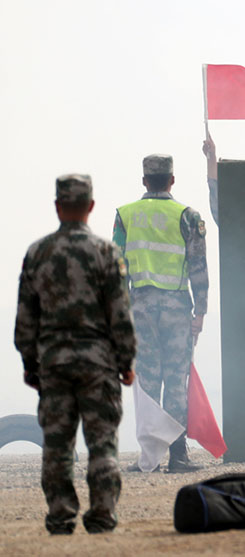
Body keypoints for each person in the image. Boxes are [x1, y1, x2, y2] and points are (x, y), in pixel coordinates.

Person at [15, 174, 137, 534]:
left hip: (53, 364)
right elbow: (120, 314)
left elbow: (25, 318)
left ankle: (61, 515)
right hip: (99, 364)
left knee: (57, 446)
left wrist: (29, 363)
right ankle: (101, 515)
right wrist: (126, 361)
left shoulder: (38, 253)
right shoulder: (105, 252)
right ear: (91, 207)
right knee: (102, 444)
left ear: (57, 206)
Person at [113, 155, 209, 472]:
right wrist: (200, 312)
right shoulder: (187, 216)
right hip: (177, 309)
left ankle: (150, 458)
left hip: (139, 309)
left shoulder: (125, 216)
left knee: (148, 382)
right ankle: (178, 456)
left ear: (144, 181)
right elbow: (198, 269)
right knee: (175, 380)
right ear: (172, 180)